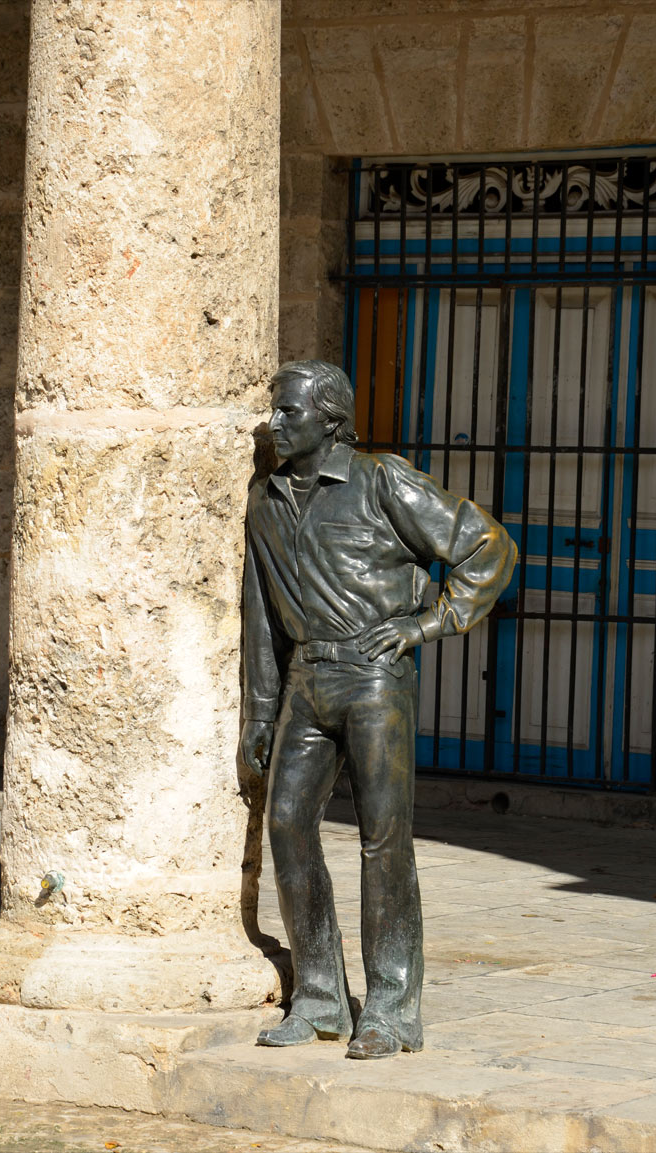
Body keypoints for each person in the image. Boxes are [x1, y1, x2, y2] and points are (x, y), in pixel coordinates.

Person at [241, 360, 516, 1059]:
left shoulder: (381, 481)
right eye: (275, 410)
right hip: (305, 679)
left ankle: (392, 1011)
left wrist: (427, 625)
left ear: (330, 420)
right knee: (287, 826)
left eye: (289, 412)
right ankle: (320, 1001)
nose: (275, 423)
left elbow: (489, 547)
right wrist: (259, 714)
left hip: (373, 680)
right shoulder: (265, 500)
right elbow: (261, 615)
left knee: (383, 839)